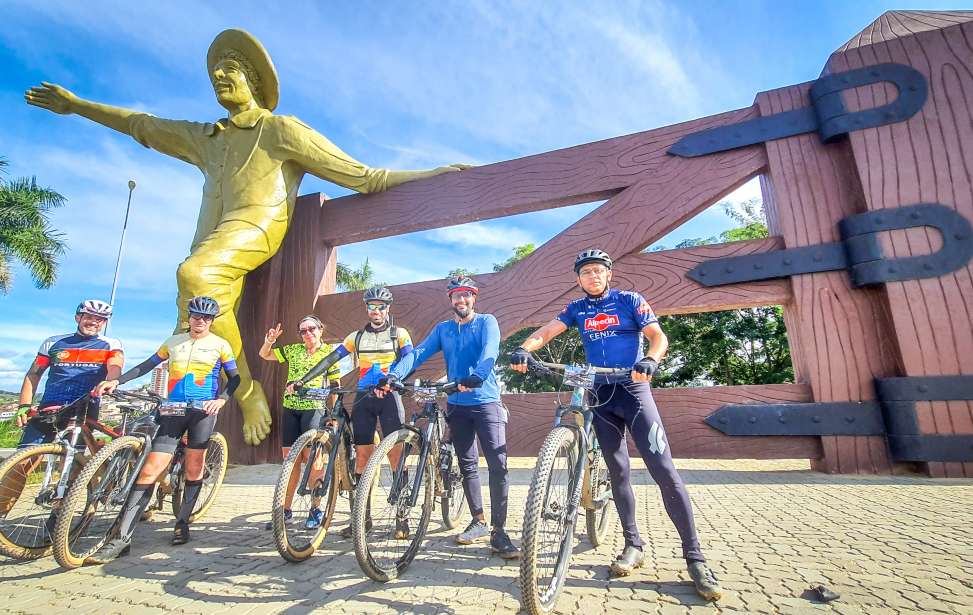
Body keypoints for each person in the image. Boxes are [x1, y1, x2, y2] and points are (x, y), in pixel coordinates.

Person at [25, 28, 469, 448]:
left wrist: (431, 174)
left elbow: (364, 177)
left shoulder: (282, 129)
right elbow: (143, 125)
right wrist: (77, 105)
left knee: (197, 273)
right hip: (212, 237)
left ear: (253, 80)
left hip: (257, 227)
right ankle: (170, 470)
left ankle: (248, 389)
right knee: (189, 333)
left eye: (230, 67)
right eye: (214, 71)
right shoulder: (206, 137)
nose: (219, 75)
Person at [509, 248, 722, 601]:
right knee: (618, 471)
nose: (592, 276)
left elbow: (658, 336)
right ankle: (632, 544)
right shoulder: (576, 309)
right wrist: (524, 349)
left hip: (633, 390)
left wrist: (650, 359)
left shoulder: (629, 300)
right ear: (577, 279)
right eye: (585, 272)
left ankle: (695, 558)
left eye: (597, 271)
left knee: (663, 470)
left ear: (609, 274)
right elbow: (546, 332)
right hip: (600, 393)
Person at [378, 276, 519, 559]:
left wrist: (478, 375)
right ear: (450, 301)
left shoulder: (486, 322)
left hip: (485, 401)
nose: (461, 300)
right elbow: (418, 353)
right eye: (456, 296)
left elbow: (491, 351)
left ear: (473, 298)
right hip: (456, 404)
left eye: (466, 295)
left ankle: (499, 531)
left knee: (496, 466)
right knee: (467, 464)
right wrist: (395, 374)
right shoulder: (444, 329)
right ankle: (478, 521)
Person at [89, 296, 240, 561]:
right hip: (172, 409)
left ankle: (182, 522)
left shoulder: (220, 345)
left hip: (202, 411)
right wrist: (117, 381)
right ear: (189, 317)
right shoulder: (173, 342)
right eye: (196, 316)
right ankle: (121, 538)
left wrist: (221, 400)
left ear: (211, 321)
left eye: (205, 318)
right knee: (150, 469)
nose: (200, 321)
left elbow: (235, 377)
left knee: (195, 467)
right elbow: (147, 365)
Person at [285, 287, 412, 538]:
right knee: (362, 456)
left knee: (396, 456)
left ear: (388, 309)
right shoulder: (356, 337)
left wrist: (393, 377)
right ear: (366, 309)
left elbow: (410, 358)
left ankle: (402, 515)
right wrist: (304, 379)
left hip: (389, 394)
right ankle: (361, 519)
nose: (376, 311)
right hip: (364, 396)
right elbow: (331, 359)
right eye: (372, 307)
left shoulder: (399, 334)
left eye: (381, 307)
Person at [0, 300, 123, 517]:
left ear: (104, 323)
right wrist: (24, 405)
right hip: (50, 407)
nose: (93, 322)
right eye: (88, 316)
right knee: (21, 463)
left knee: (71, 466)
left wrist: (112, 381)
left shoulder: (110, 344)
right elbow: (33, 374)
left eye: (99, 319)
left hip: (83, 409)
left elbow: (115, 365)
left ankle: (58, 518)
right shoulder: (53, 343)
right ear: (78, 317)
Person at [258, 315, 339, 529]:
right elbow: (264, 355)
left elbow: (335, 385)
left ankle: (315, 508)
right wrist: (270, 340)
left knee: (313, 461)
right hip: (290, 408)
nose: (308, 333)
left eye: (312, 329)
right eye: (303, 331)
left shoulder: (329, 353)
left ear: (321, 329)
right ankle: (285, 510)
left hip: (314, 410)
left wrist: (334, 414)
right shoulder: (294, 350)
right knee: (290, 462)